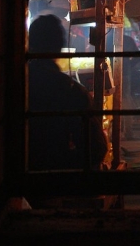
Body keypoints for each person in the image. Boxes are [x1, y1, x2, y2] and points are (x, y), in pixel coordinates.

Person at [27, 14, 108, 172]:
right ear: (60, 47)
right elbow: (96, 149)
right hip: (58, 181)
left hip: (20, 179)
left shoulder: (12, 85)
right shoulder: (70, 90)